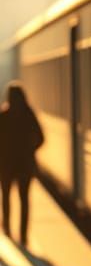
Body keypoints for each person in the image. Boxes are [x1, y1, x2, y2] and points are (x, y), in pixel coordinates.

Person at [0, 81, 45, 246]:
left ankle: (6, 228)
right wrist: (30, 150)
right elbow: (41, 138)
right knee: (24, 199)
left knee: (5, 197)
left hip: (5, 165)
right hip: (25, 164)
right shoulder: (28, 114)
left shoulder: (3, 115)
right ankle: (24, 235)